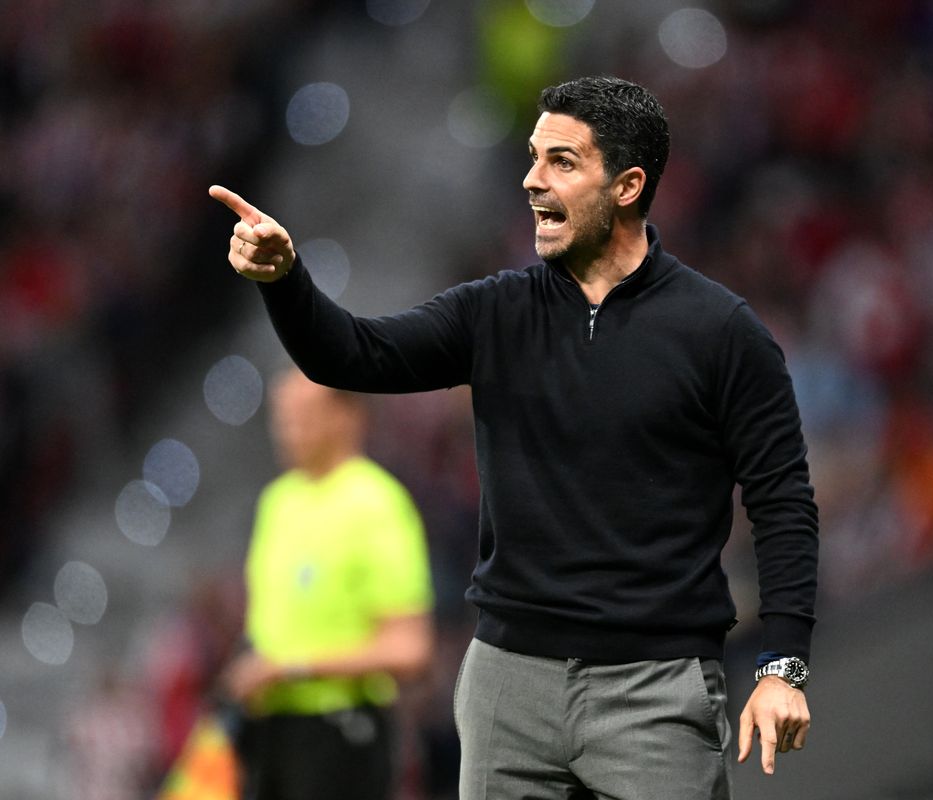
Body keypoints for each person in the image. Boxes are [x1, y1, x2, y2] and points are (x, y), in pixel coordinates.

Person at [211, 75, 818, 799]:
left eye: (561, 162)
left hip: (654, 689)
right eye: (532, 157)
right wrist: (285, 280)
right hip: (508, 685)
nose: (531, 181)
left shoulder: (722, 334)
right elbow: (354, 354)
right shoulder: (495, 311)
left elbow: (784, 501)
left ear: (626, 186)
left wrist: (783, 666)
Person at [222, 368, 435, 800]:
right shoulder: (278, 501)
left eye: (301, 414)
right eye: (279, 416)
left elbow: (410, 648)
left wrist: (291, 666)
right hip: (269, 731)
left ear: (347, 416)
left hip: (339, 729)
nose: (286, 429)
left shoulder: (376, 504)